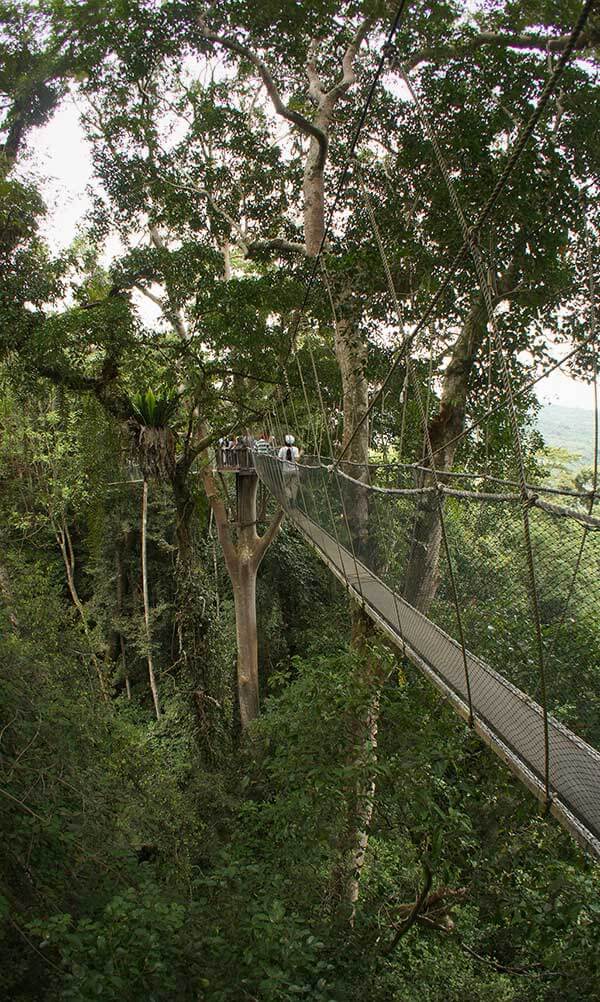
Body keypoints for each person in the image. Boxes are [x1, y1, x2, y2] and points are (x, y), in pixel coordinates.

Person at [277, 434, 301, 503]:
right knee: (294, 486)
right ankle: (294, 500)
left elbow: (279, 458)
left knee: (285, 486)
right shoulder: (296, 449)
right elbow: (297, 459)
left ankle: (290, 497)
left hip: (286, 471)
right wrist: (301, 453)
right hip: (295, 471)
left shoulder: (282, 449)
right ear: (293, 442)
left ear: (285, 442)